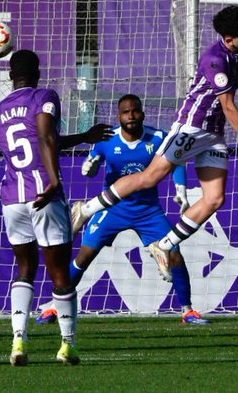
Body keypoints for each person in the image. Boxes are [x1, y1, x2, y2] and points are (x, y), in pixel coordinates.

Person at [73, 6, 238, 281]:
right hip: (192, 128)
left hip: (213, 135)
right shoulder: (215, 59)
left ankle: (164, 245)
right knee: (149, 178)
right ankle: (85, 210)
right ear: (229, 38)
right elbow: (227, 106)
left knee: (215, 199)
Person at [36, 94, 210, 326]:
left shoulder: (158, 138)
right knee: (84, 256)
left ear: (142, 114)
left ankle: (187, 311)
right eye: (126, 112)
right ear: (119, 117)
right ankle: (55, 306)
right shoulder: (106, 139)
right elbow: (91, 164)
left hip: (147, 209)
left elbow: (175, 162)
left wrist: (181, 189)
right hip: (112, 208)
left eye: (135, 111)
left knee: (175, 253)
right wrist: (90, 167)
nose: (131, 116)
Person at [0, 49, 112, 366]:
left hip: (12, 198)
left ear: (9, 75)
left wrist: (84, 137)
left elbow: (38, 140)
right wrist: (54, 180)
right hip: (44, 193)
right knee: (59, 272)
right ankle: (67, 345)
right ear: (38, 72)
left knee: (25, 268)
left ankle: (18, 341)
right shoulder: (44, 96)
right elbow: (45, 137)